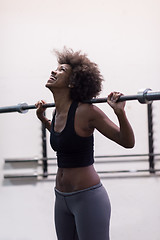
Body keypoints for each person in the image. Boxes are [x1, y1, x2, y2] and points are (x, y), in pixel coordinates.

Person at [35, 47, 135, 240]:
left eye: (61, 70)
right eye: (55, 68)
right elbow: (65, 138)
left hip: (87, 198)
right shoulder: (57, 111)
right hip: (61, 198)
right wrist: (43, 119)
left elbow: (127, 141)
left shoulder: (87, 112)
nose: (54, 71)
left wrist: (120, 112)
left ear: (72, 82)